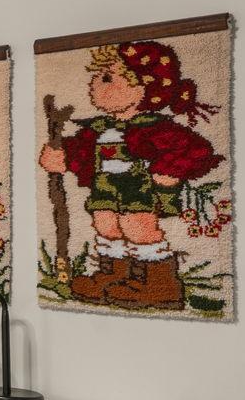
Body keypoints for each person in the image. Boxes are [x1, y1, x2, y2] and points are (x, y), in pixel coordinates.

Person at [39, 41, 221, 309]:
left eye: (107, 78)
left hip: (140, 188)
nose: (95, 86)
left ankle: (159, 285)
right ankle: (112, 275)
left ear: (143, 87)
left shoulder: (154, 127)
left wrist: (166, 172)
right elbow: (80, 151)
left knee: (138, 227)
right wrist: (60, 157)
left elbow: (194, 149)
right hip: (105, 188)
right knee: (105, 223)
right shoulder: (99, 128)